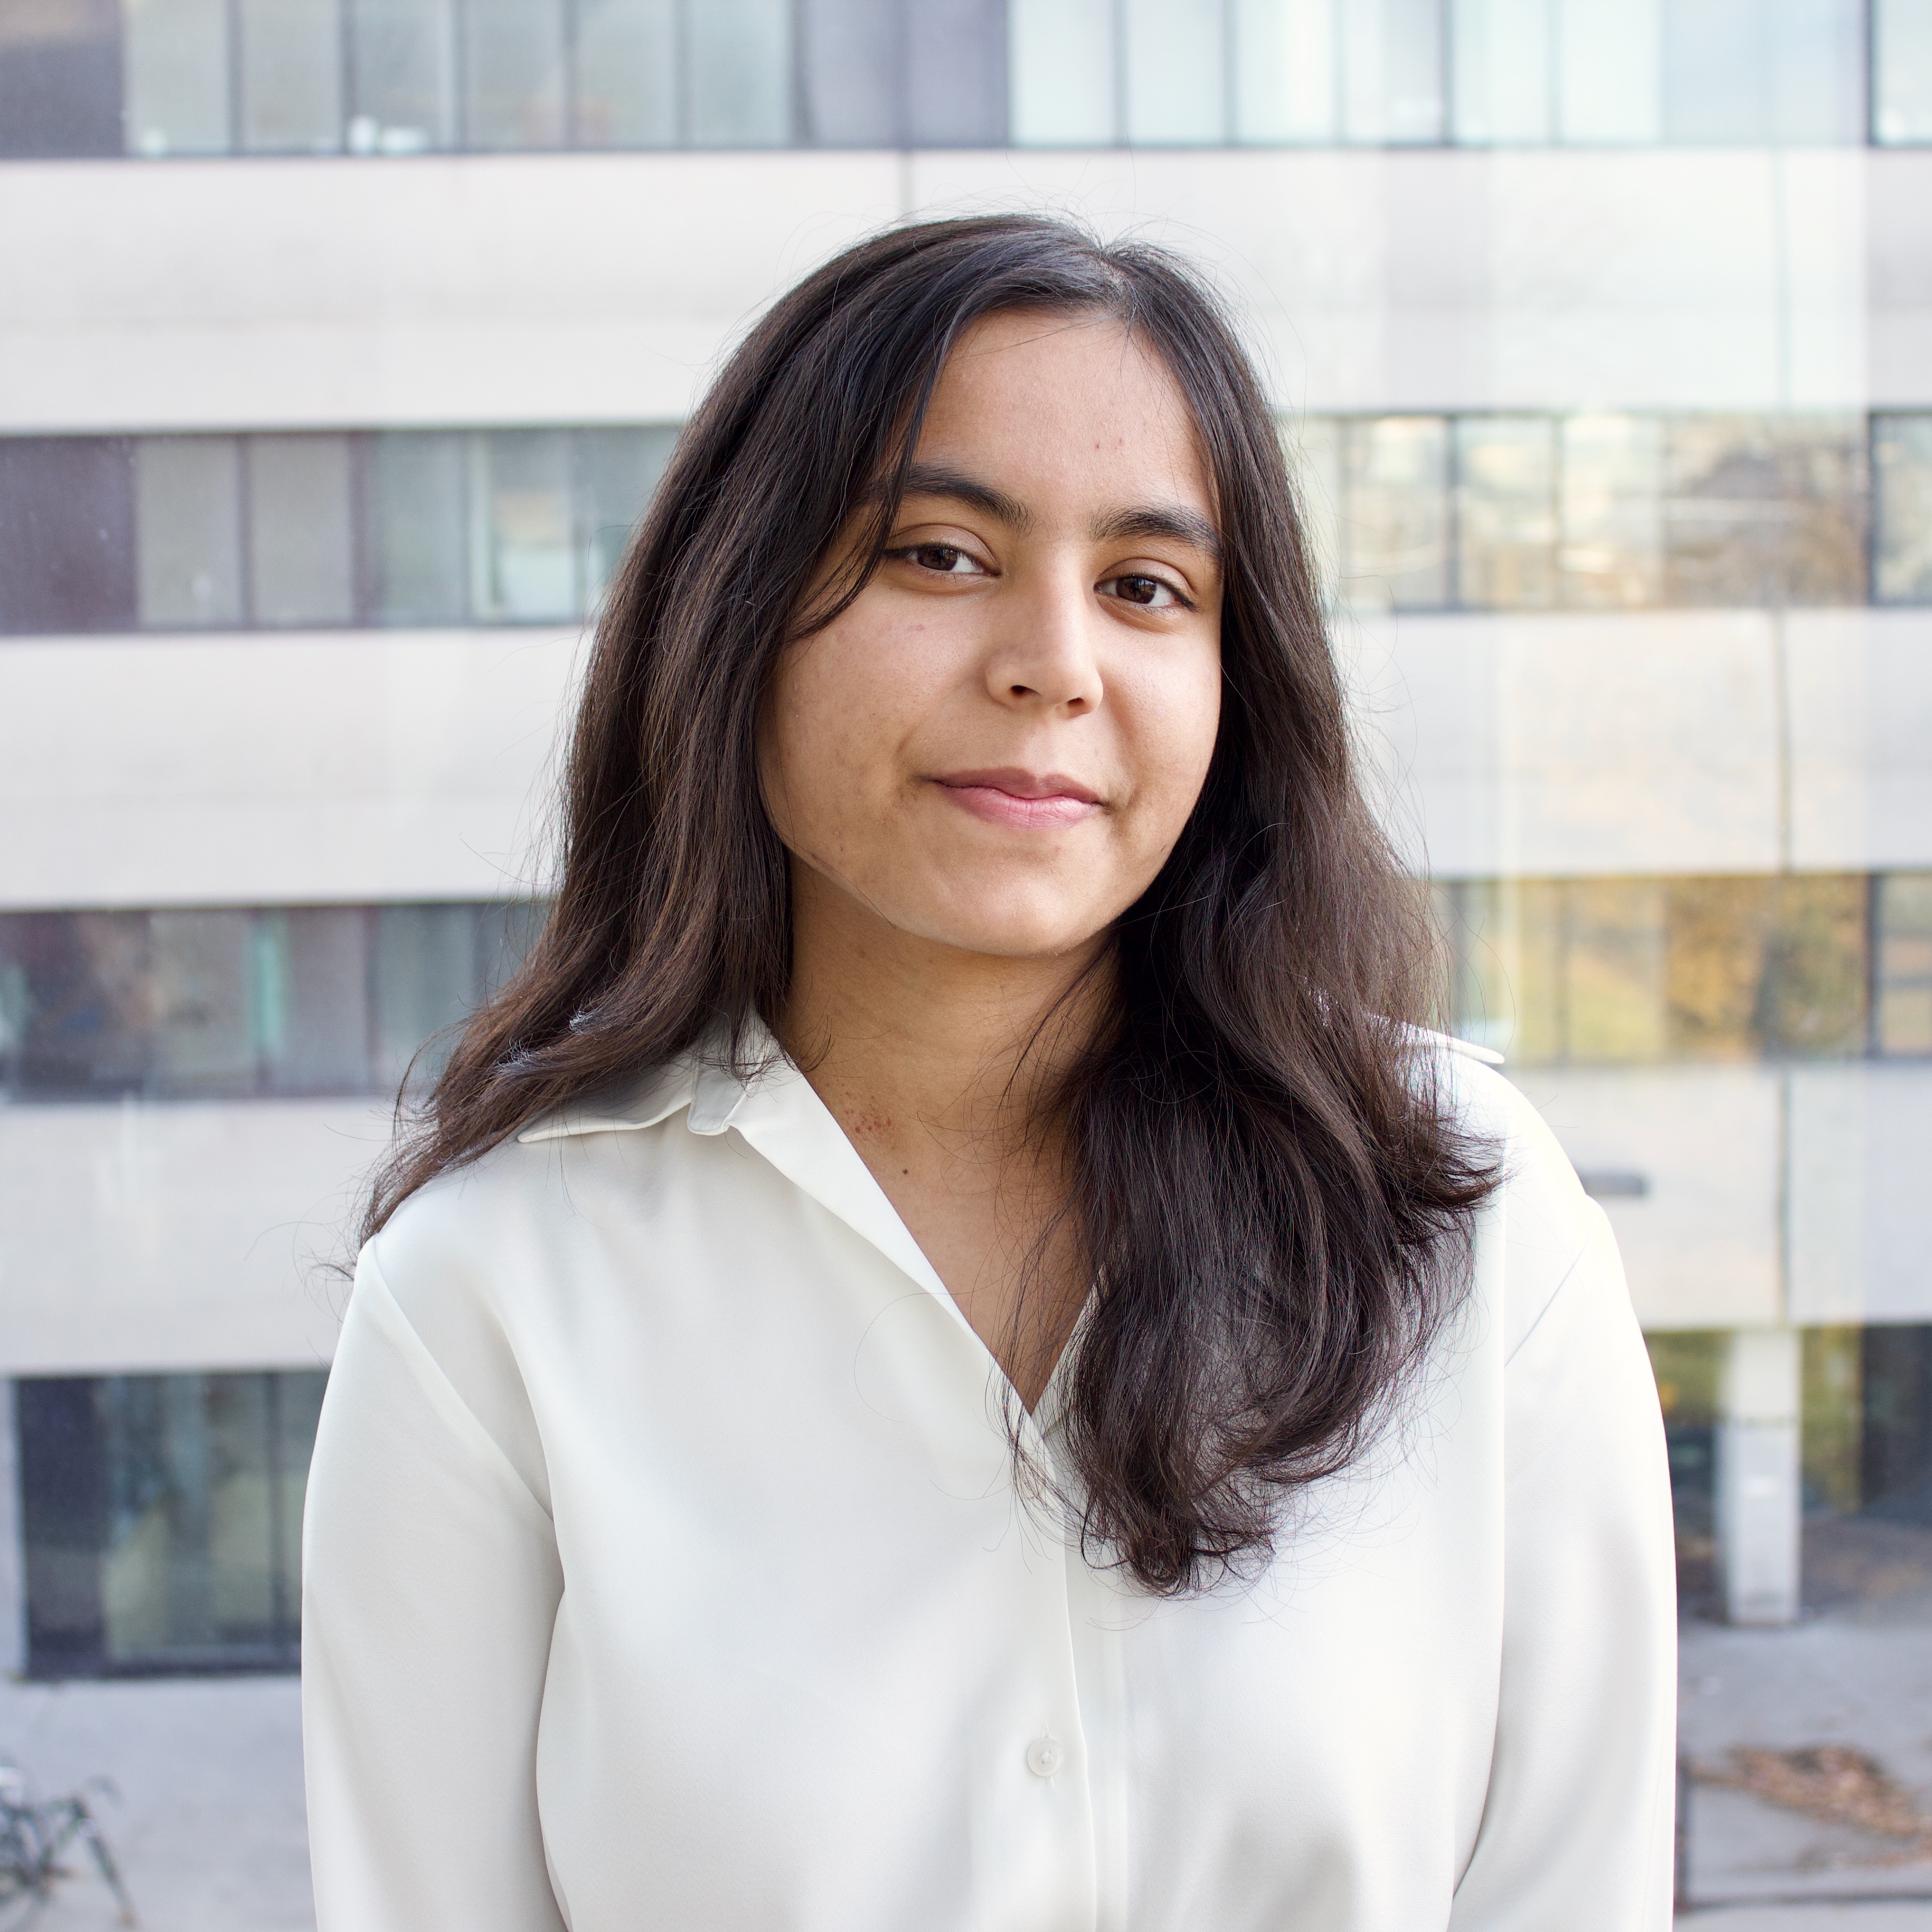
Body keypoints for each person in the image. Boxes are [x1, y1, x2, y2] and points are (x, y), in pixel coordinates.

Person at [301, 214, 1677, 1931]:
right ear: (737, 614)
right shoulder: (491, 1294)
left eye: (1147, 587)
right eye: (942, 555)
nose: (1055, 663)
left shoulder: (1464, 1216)